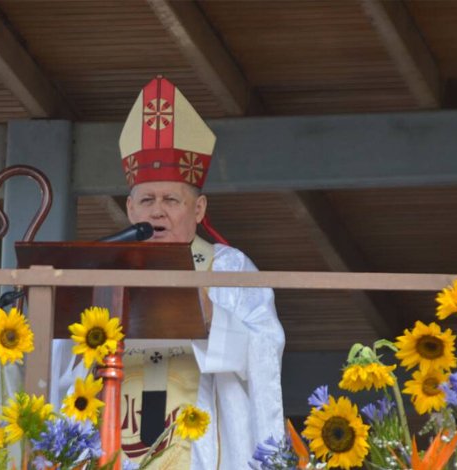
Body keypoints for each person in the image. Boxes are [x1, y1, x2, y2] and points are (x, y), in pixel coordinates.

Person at [54, 76, 285, 469]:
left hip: (200, 450)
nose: (157, 211)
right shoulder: (100, 269)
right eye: (146, 200)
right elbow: (59, 361)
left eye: (171, 200)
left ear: (198, 210)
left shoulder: (228, 267)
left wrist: (211, 315)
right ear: (130, 211)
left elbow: (265, 350)